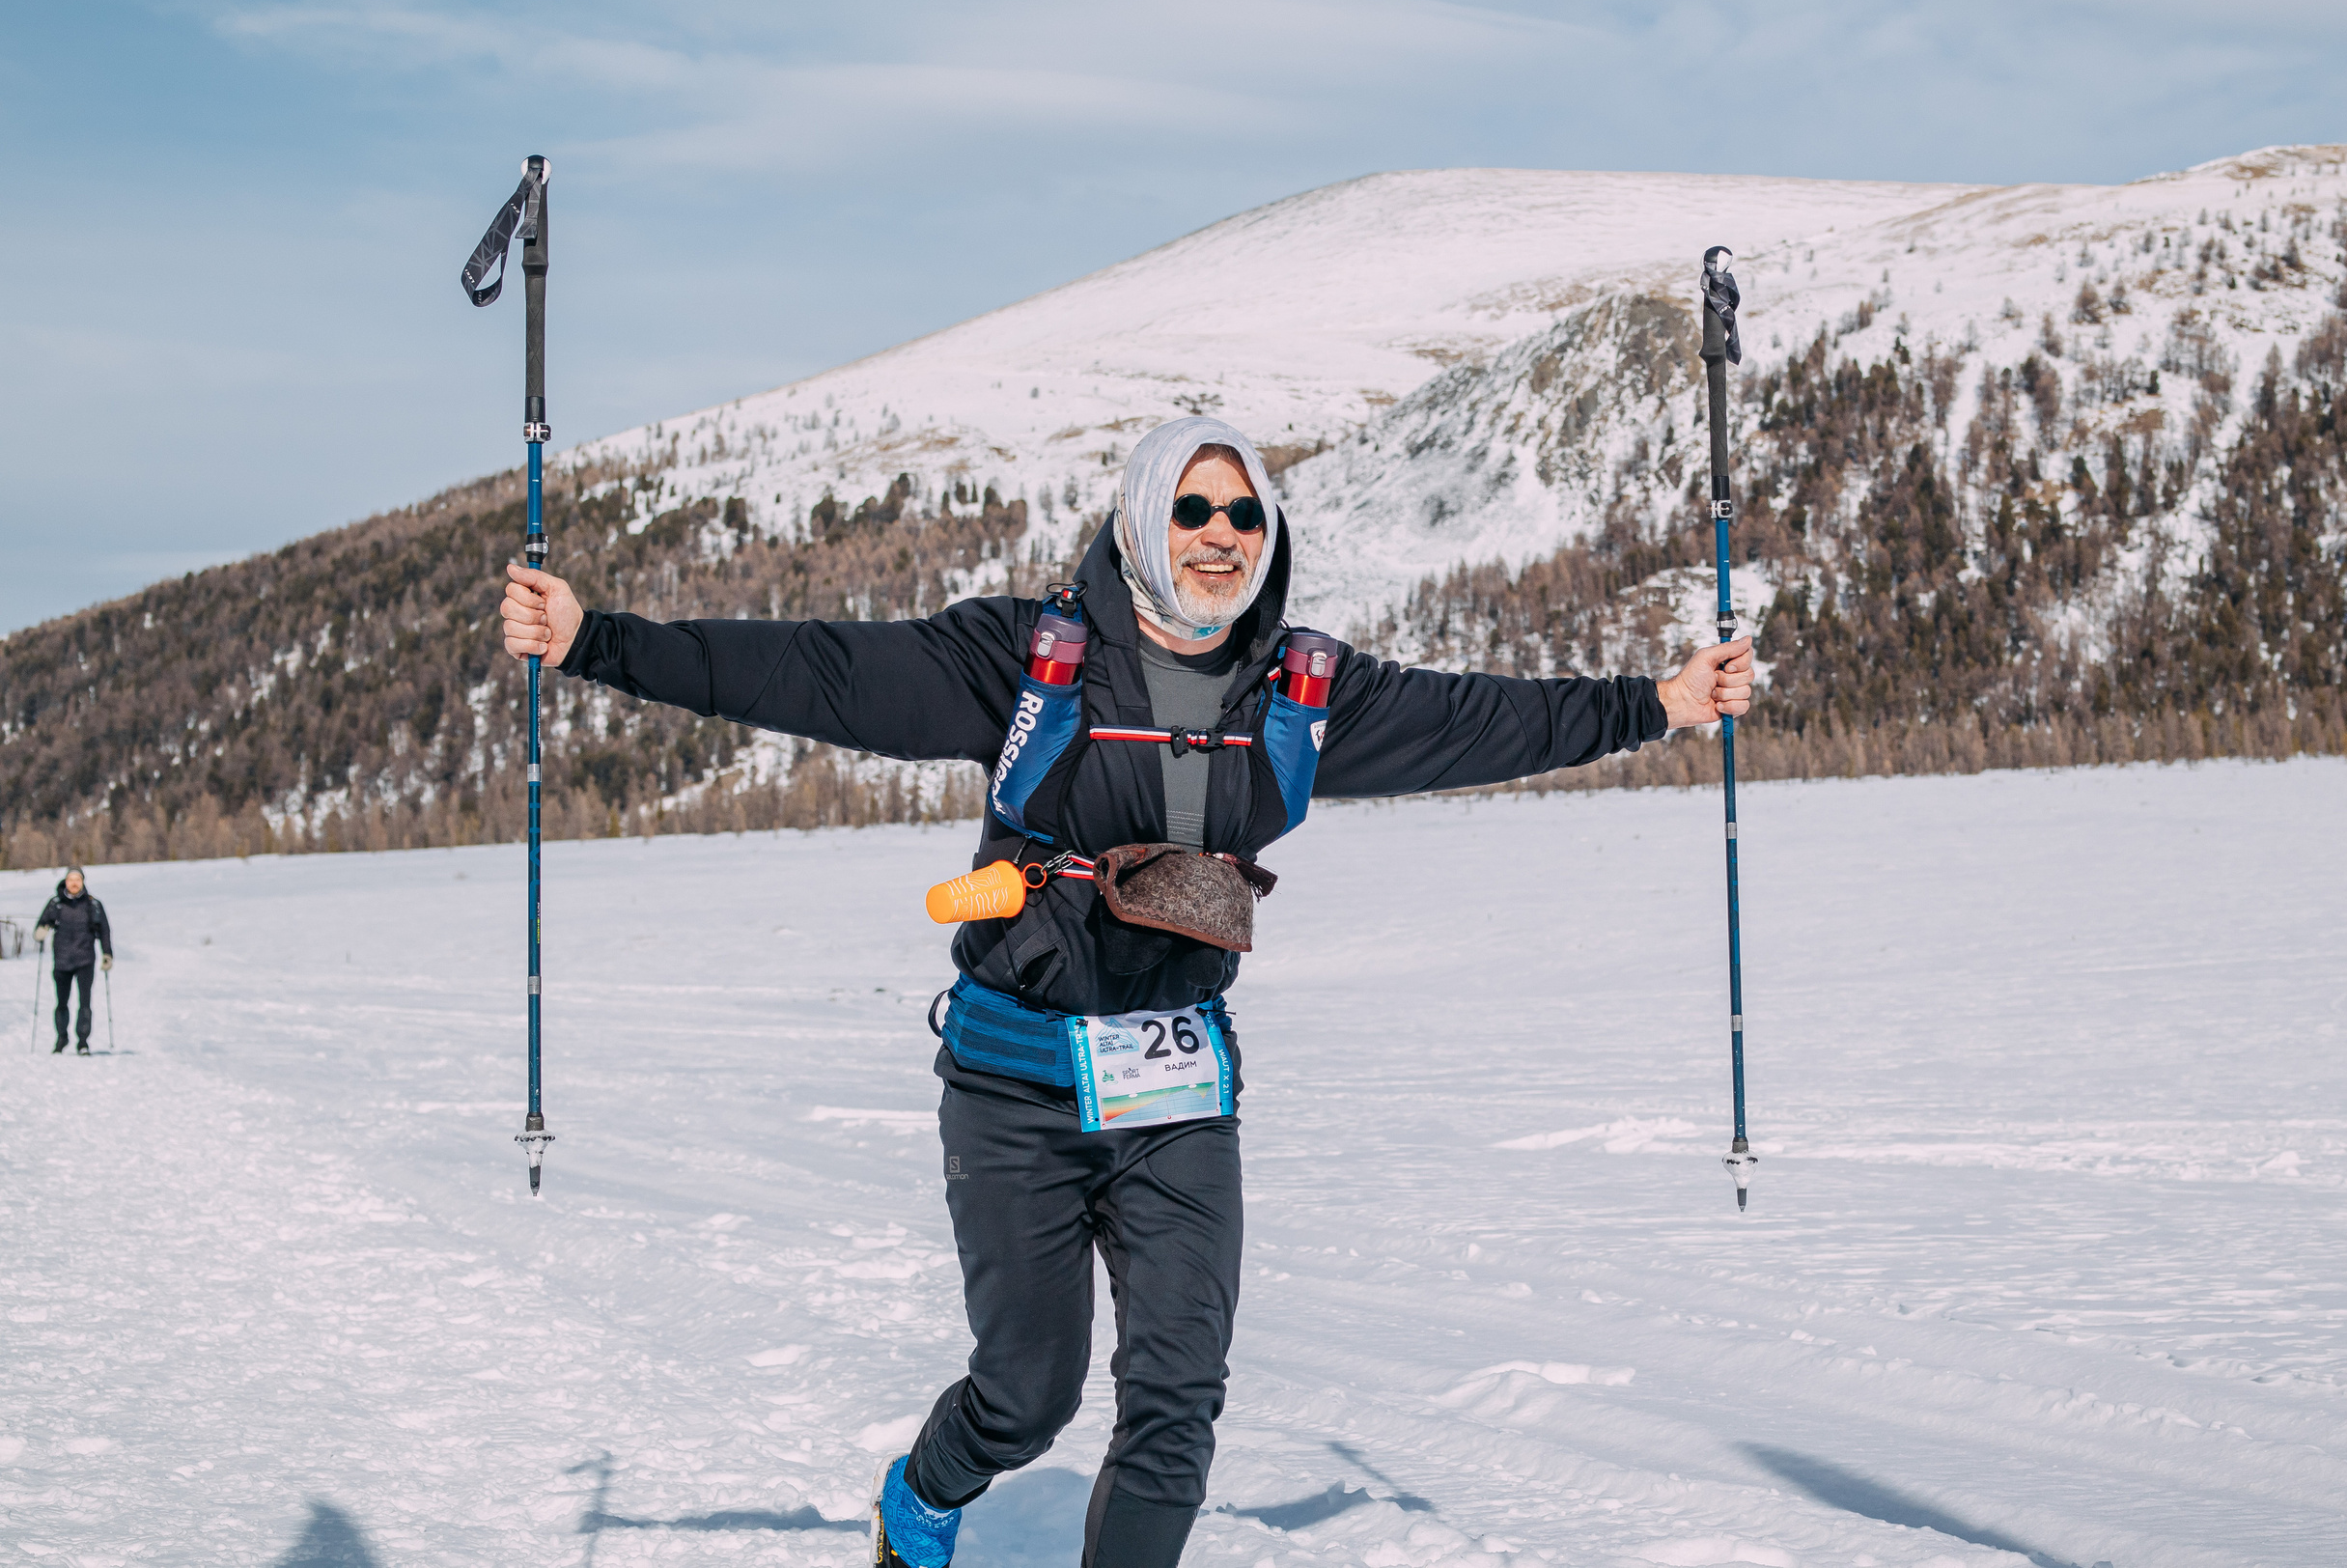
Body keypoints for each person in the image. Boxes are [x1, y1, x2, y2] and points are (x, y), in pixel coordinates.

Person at [499, 417, 1754, 1568]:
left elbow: (1479, 719)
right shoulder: (1025, 658)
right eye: (1196, 512)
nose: (1221, 538)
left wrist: (1658, 703)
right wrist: (599, 639)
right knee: (1027, 1392)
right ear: (1143, 519)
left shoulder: (1301, 687)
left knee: (1177, 1396)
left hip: (1178, 1085)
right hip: (1016, 1080)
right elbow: (819, 672)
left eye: (1245, 516)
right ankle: (921, 1495)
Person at [35, 868, 112, 1055]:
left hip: (85, 959)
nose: (74, 883)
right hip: (62, 960)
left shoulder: (93, 904)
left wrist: (107, 954)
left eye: (77, 879)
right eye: (71, 879)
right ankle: (61, 1039)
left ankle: (83, 1042)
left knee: (84, 1002)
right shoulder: (56, 904)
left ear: (83, 881)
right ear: (66, 881)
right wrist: (41, 931)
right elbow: (42, 924)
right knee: (62, 1002)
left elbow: (104, 931)